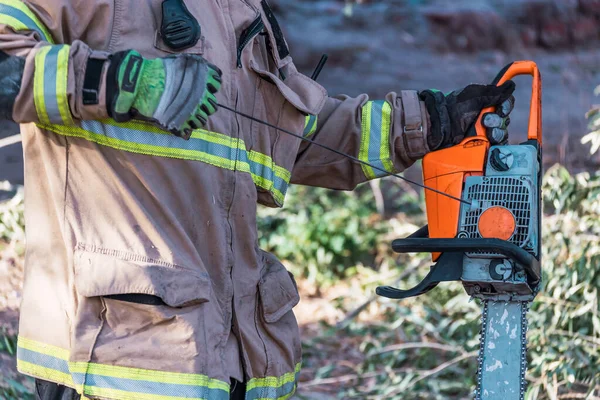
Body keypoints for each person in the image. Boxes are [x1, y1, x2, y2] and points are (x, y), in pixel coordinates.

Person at [0, 0, 515, 399]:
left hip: (236, 366)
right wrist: (122, 83)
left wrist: (428, 125)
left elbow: (294, 138)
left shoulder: (240, 14)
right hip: (115, 369)